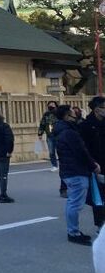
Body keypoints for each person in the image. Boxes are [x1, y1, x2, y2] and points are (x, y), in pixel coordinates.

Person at [54, 104, 101, 245]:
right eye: (73, 113)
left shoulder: (62, 130)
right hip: (75, 171)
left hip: (69, 171)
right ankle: (73, 232)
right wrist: (93, 165)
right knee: (75, 203)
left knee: (72, 202)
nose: (76, 114)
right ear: (67, 116)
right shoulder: (69, 133)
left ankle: (73, 230)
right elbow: (81, 151)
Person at [79, 96, 105, 230]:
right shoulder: (86, 125)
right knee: (98, 197)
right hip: (96, 165)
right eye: (103, 107)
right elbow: (83, 148)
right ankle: (100, 225)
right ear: (96, 109)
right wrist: (92, 164)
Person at [39, 100, 58, 171]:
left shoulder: (58, 113)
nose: (51, 106)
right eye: (50, 105)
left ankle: (63, 164)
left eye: (53, 105)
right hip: (50, 135)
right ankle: (54, 165)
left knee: (61, 150)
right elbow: (42, 123)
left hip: (59, 135)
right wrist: (40, 133)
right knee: (51, 151)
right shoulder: (46, 114)